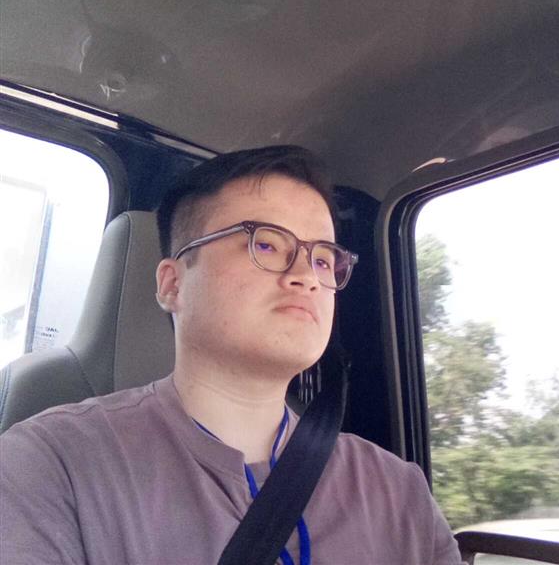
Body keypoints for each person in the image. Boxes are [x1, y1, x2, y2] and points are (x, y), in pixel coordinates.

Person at [0, 146, 463, 564]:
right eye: (266, 243)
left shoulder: (398, 492)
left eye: (323, 259)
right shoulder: (51, 466)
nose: (307, 276)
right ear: (172, 284)